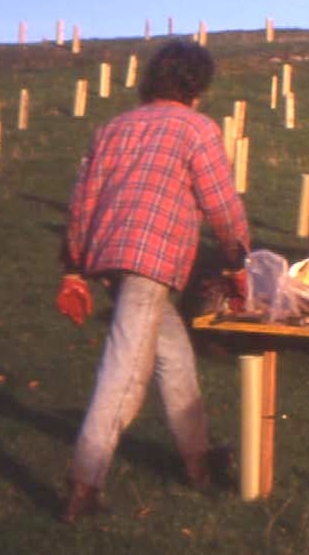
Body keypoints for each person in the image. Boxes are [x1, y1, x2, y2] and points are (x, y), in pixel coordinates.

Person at [56, 40, 251, 524]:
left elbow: (81, 202)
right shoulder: (197, 129)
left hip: (109, 258)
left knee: (176, 358)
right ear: (196, 87)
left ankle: (199, 462)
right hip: (150, 263)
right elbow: (222, 205)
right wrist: (238, 260)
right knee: (123, 376)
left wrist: (74, 267)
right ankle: (84, 484)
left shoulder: (113, 128)